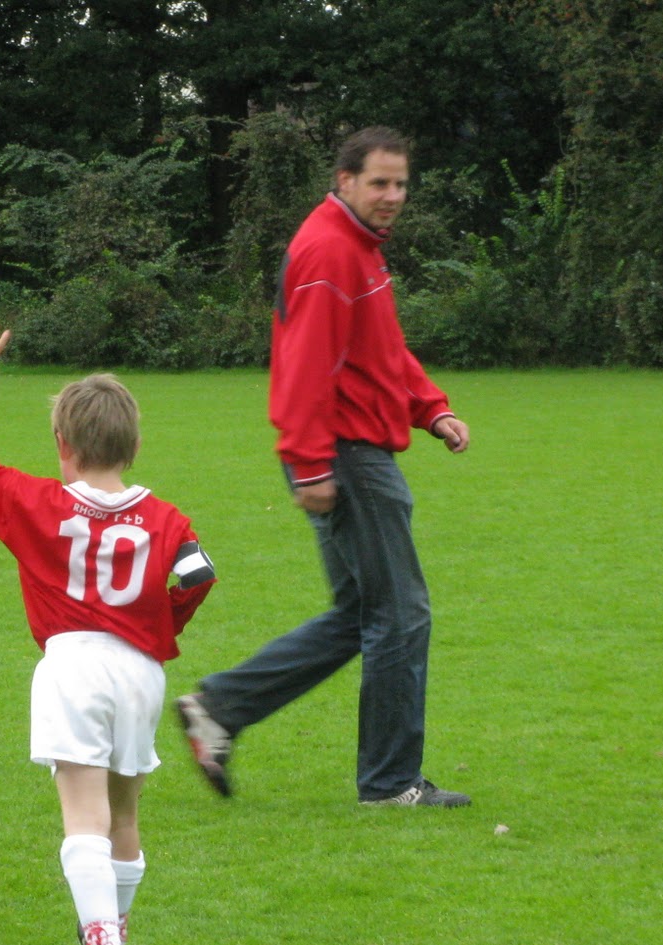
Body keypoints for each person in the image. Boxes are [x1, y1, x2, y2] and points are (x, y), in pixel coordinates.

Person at [177, 126, 472, 808]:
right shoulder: (329, 251)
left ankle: (218, 709)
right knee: (401, 616)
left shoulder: (359, 249)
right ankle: (391, 784)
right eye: (379, 182)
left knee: (361, 614)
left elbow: (381, 351)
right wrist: (310, 463)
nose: (392, 195)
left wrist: (430, 409)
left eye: (401, 183)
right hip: (347, 455)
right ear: (345, 180)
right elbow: (305, 365)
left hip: (350, 449)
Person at [0, 321, 217, 945]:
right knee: (123, 814)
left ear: (63, 446)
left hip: (72, 665)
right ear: (133, 445)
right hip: (140, 672)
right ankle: (113, 934)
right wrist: (161, 626)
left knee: (83, 816)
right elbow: (199, 575)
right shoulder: (167, 518)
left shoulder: (38, 503)